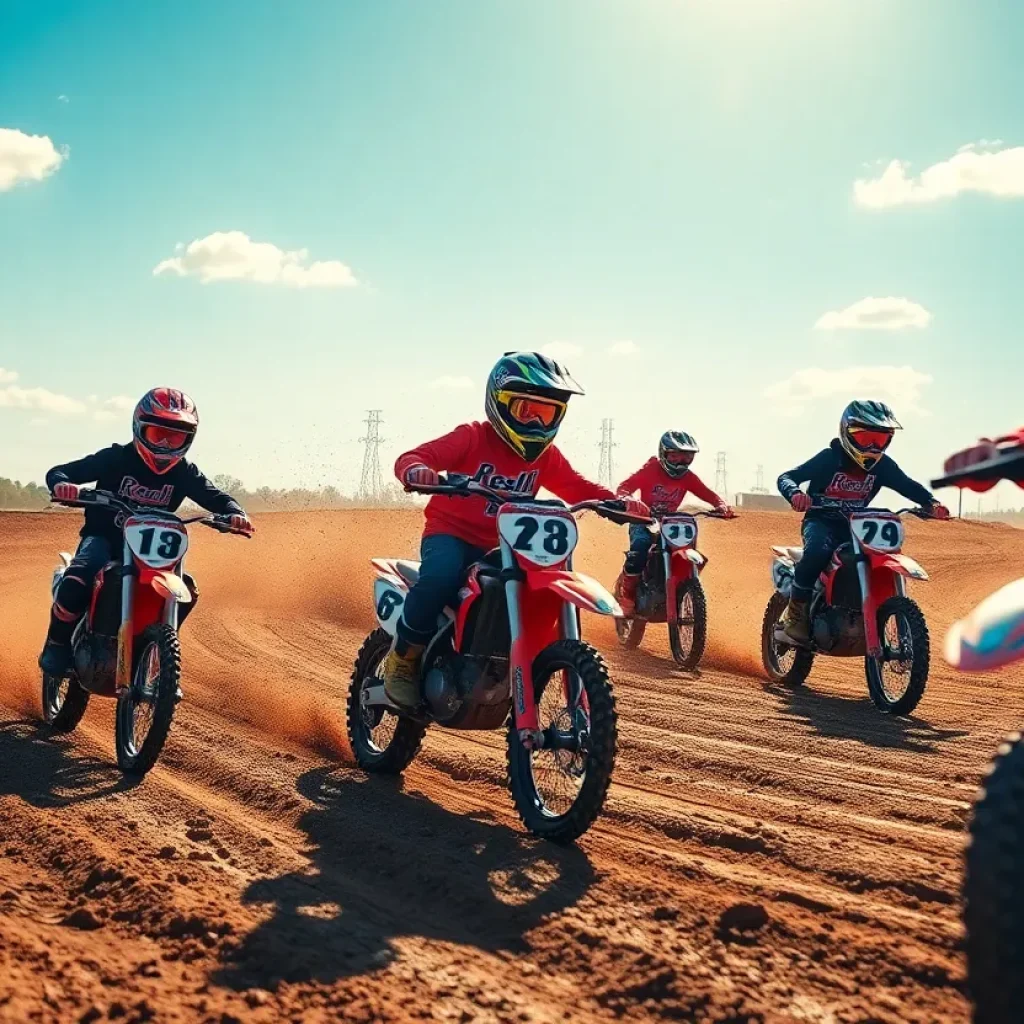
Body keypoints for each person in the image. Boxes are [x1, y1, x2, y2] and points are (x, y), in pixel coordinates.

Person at [384, 351, 648, 709]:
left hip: (502, 546)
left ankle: (517, 663)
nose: (537, 423)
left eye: (547, 413)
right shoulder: (472, 437)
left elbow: (577, 487)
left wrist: (618, 503)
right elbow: (413, 457)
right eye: (527, 411)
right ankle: (403, 660)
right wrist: (417, 471)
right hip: (450, 534)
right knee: (441, 577)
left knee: (533, 587)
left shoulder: (545, 457)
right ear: (500, 403)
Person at [38, 388, 253, 677]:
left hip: (151, 551)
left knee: (186, 589)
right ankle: (57, 645)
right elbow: (60, 472)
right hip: (104, 538)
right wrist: (64, 486)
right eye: (157, 434)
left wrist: (236, 515)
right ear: (140, 428)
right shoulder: (116, 458)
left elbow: (217, 497)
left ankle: (154, 649)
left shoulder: (185, 472)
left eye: (174, 437)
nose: (165, 444)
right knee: (81, 574)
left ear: (188, 439)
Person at [775, 400, 949, 644]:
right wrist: (795, 493)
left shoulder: (884, 466)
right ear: (846, 433)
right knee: (816, 552)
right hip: (821, 521)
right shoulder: (829, 458)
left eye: (880, 439)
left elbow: (908, 485)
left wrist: (931, 503)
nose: (872, 446)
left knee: (874, 558)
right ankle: (795, 616)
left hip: (857, 527)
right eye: (865, 437)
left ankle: (863, 610)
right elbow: (788, 476)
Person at [615, 431, 734, 614]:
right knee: (639, 549)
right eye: (675, 456)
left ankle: (682, 588)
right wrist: (626, 499)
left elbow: (708, 494)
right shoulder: (651, 469)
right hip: (643, 520)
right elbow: (624, 487)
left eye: (687, 457)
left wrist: (721, 505)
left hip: (670, 524)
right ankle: (627, 596)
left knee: (694, 555)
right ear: (663, 454)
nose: (681, 462)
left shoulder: (688, 478)